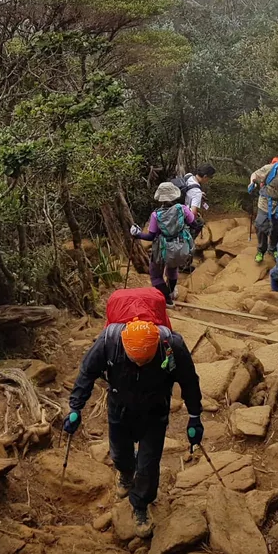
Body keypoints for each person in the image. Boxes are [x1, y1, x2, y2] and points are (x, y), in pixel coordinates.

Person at [64, 318, 204, 535]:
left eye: (145, 360)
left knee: (148, 464)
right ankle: (126, 472)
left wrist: (195, 415)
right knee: (119, 454)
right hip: (120, 407)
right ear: (125, 345)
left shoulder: (171, 346)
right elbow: (87, 372)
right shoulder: (109, 342)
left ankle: (140, 504)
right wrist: (75, 407)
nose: (140, 363)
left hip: (155, 411)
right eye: (135, 359)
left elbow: (189, 380)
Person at [131, 182, 196, 306]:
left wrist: (137, 234)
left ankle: (167, 299)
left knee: (155, 275)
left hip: (162, 249)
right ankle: (171, 293)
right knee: (172, 270)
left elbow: (151, 236)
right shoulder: (183, 209)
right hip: (180, 246)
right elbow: (194, 223)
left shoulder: (156, 215)